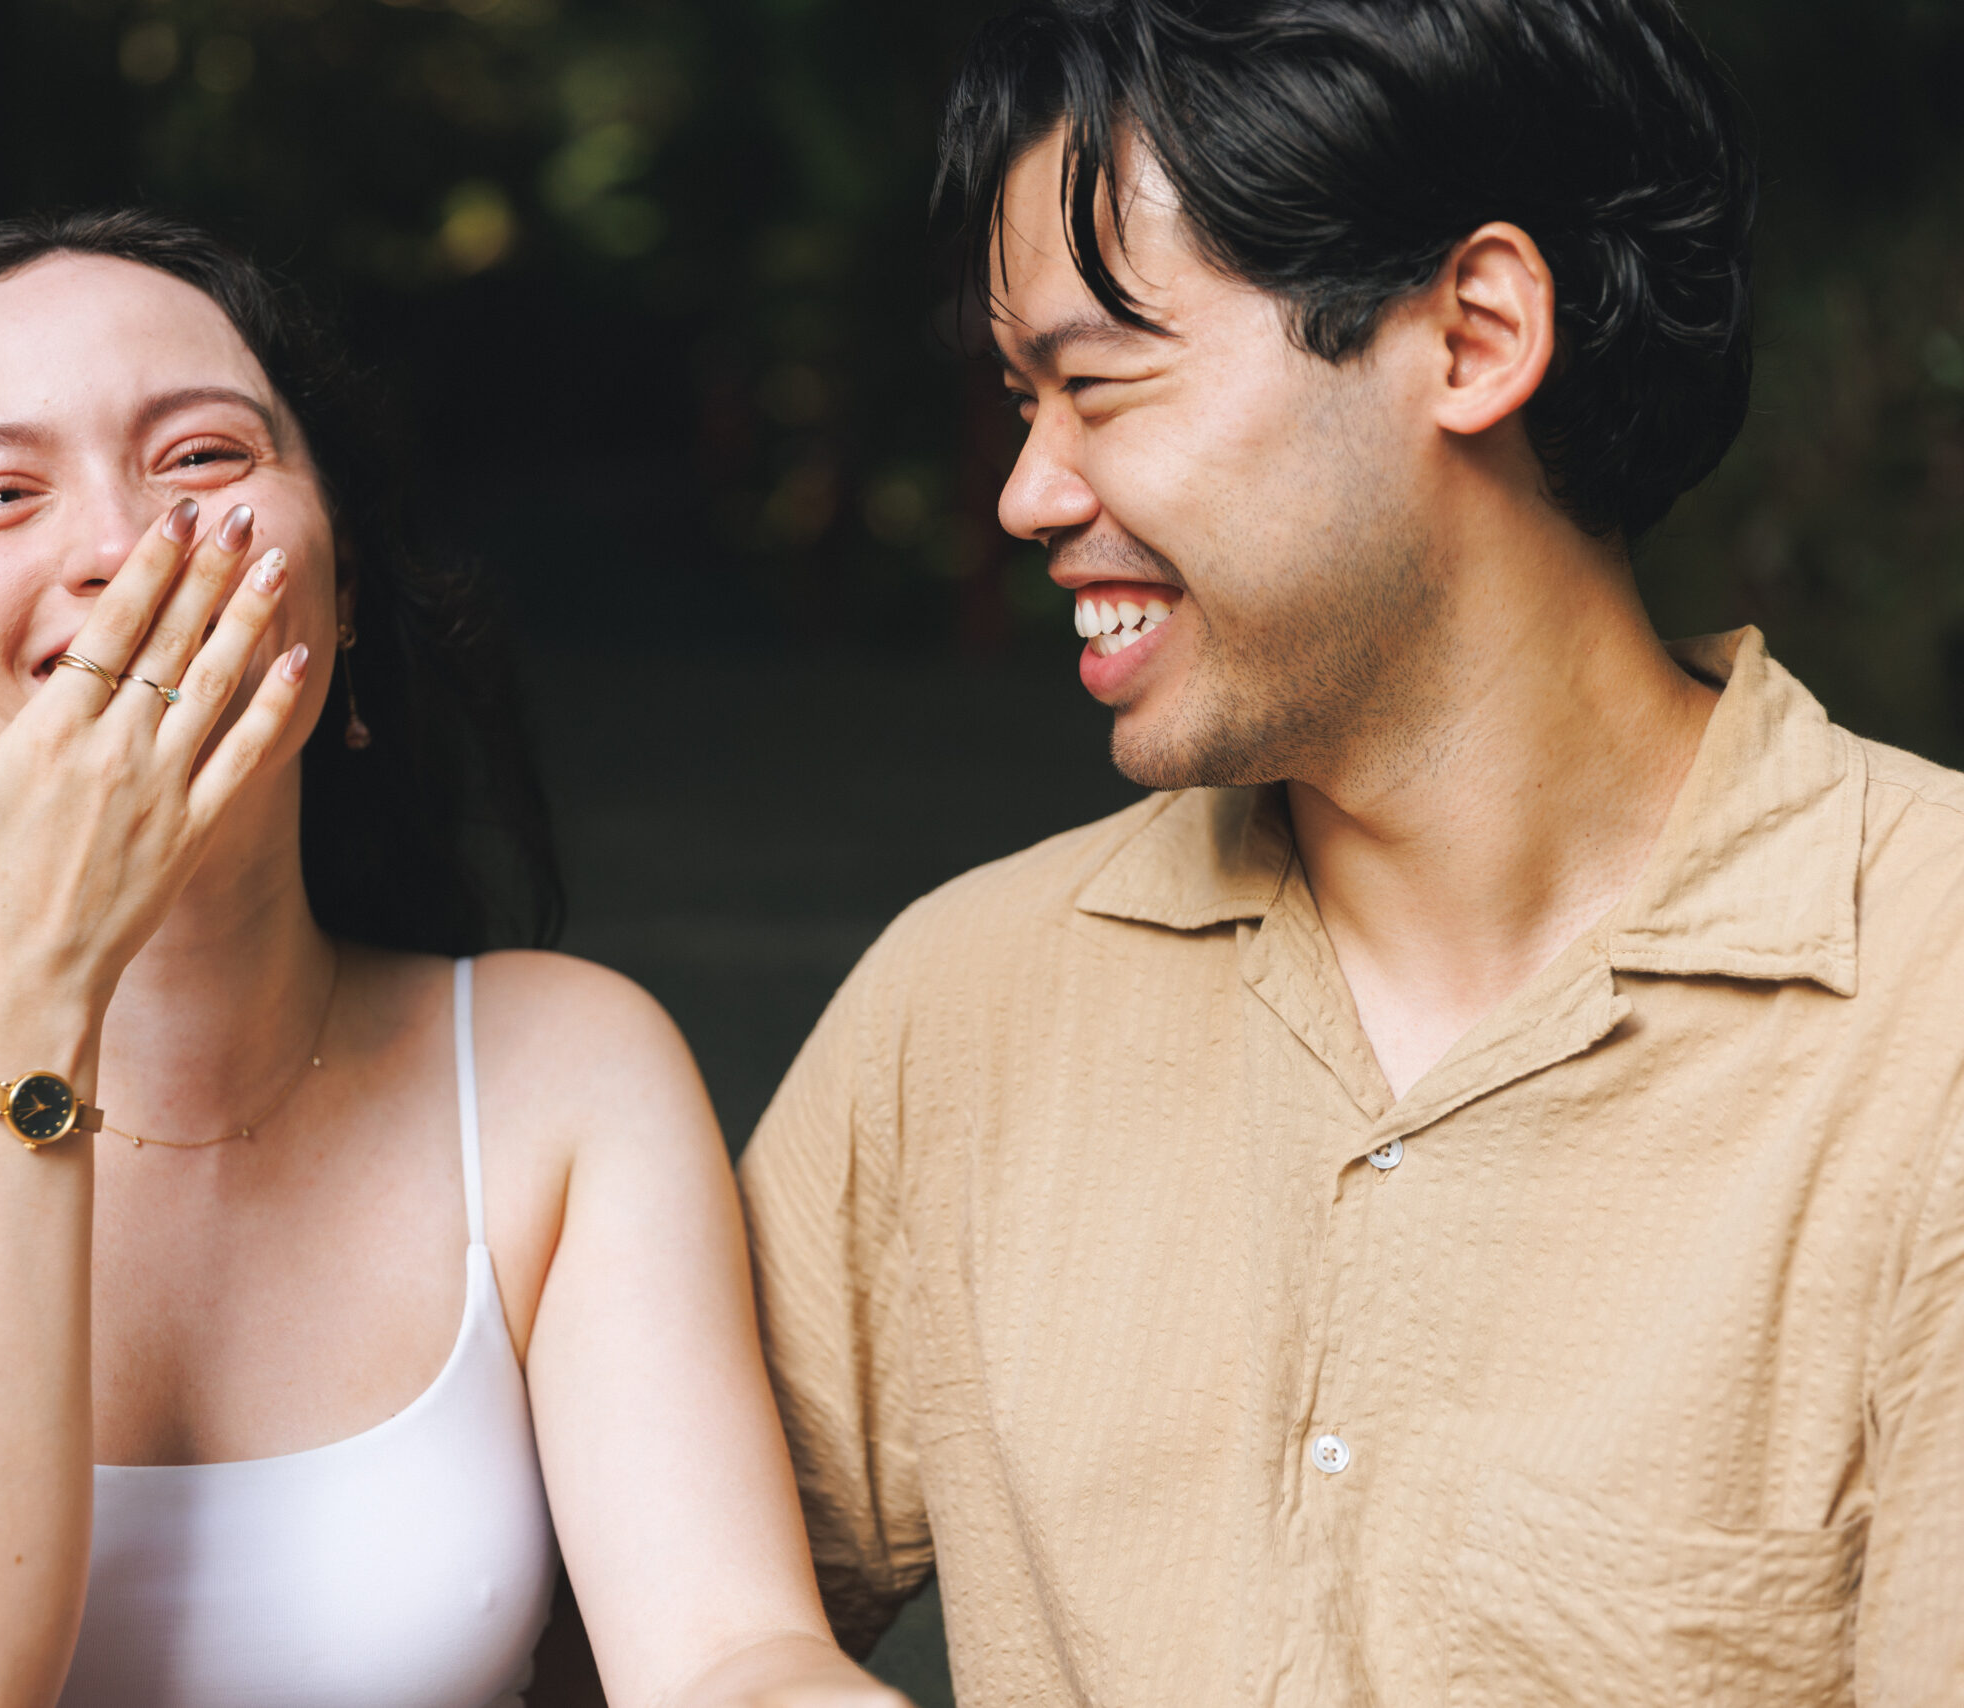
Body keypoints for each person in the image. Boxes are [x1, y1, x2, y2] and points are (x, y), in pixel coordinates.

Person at [739, 2, 1964, 1702]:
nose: (1026, 490)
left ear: (1473, 335)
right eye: (1024, 399)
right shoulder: (958, 1010)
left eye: (1099, 382)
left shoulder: (1934, 1009)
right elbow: (592, 1631)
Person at [0, 210, 906, 1708]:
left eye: (205, 458)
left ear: (341, 591)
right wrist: (28, 990)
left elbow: (732, 1657)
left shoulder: (566, 1066)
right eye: (2, 490)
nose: (121, 547)